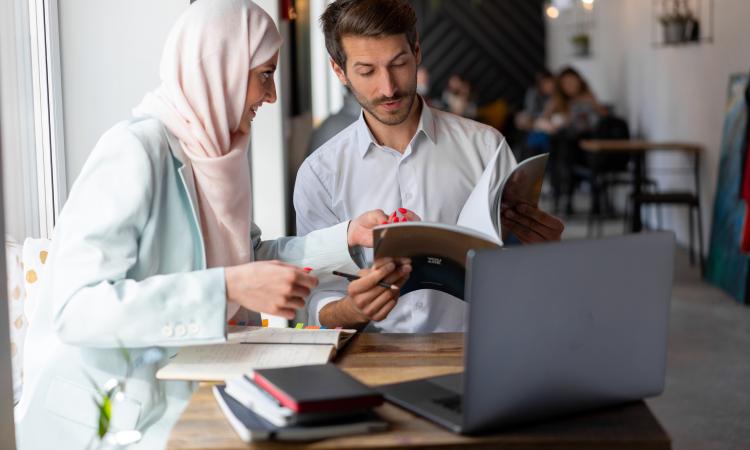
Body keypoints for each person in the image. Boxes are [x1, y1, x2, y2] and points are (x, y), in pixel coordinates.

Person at [14, 1, 409, 449]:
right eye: (264, 74)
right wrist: (225, 289)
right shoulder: (134, 150)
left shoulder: (216, 155)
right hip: (107, 421)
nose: (273, 94)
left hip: (189, 392)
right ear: (220, 67)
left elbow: (251, 259)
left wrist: (348, 238)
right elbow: (77, 309)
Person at [294, 0, 564, 333]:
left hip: (473, 350)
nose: (388, 87)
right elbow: (314, 300)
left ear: (417, 51)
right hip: (370, 361)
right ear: (339, 71)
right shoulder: (319, 173)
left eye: (399, 63)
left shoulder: (486, 147)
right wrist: (349, 310)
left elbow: (523, 275)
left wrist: (545, 251)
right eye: (367, 71)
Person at [536, 67, 607, 214]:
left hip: (587, 144)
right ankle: (565, 197)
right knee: (562, 147)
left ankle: (588, 200)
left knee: (571, 152)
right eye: (566, 83)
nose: (570, 85)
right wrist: (552, 125)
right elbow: (541, 120)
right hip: (566, 144)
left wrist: (593, 106)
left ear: (579, 82)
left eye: (572, 82)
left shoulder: (588, 98)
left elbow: (602, 119)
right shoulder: (557, 101)